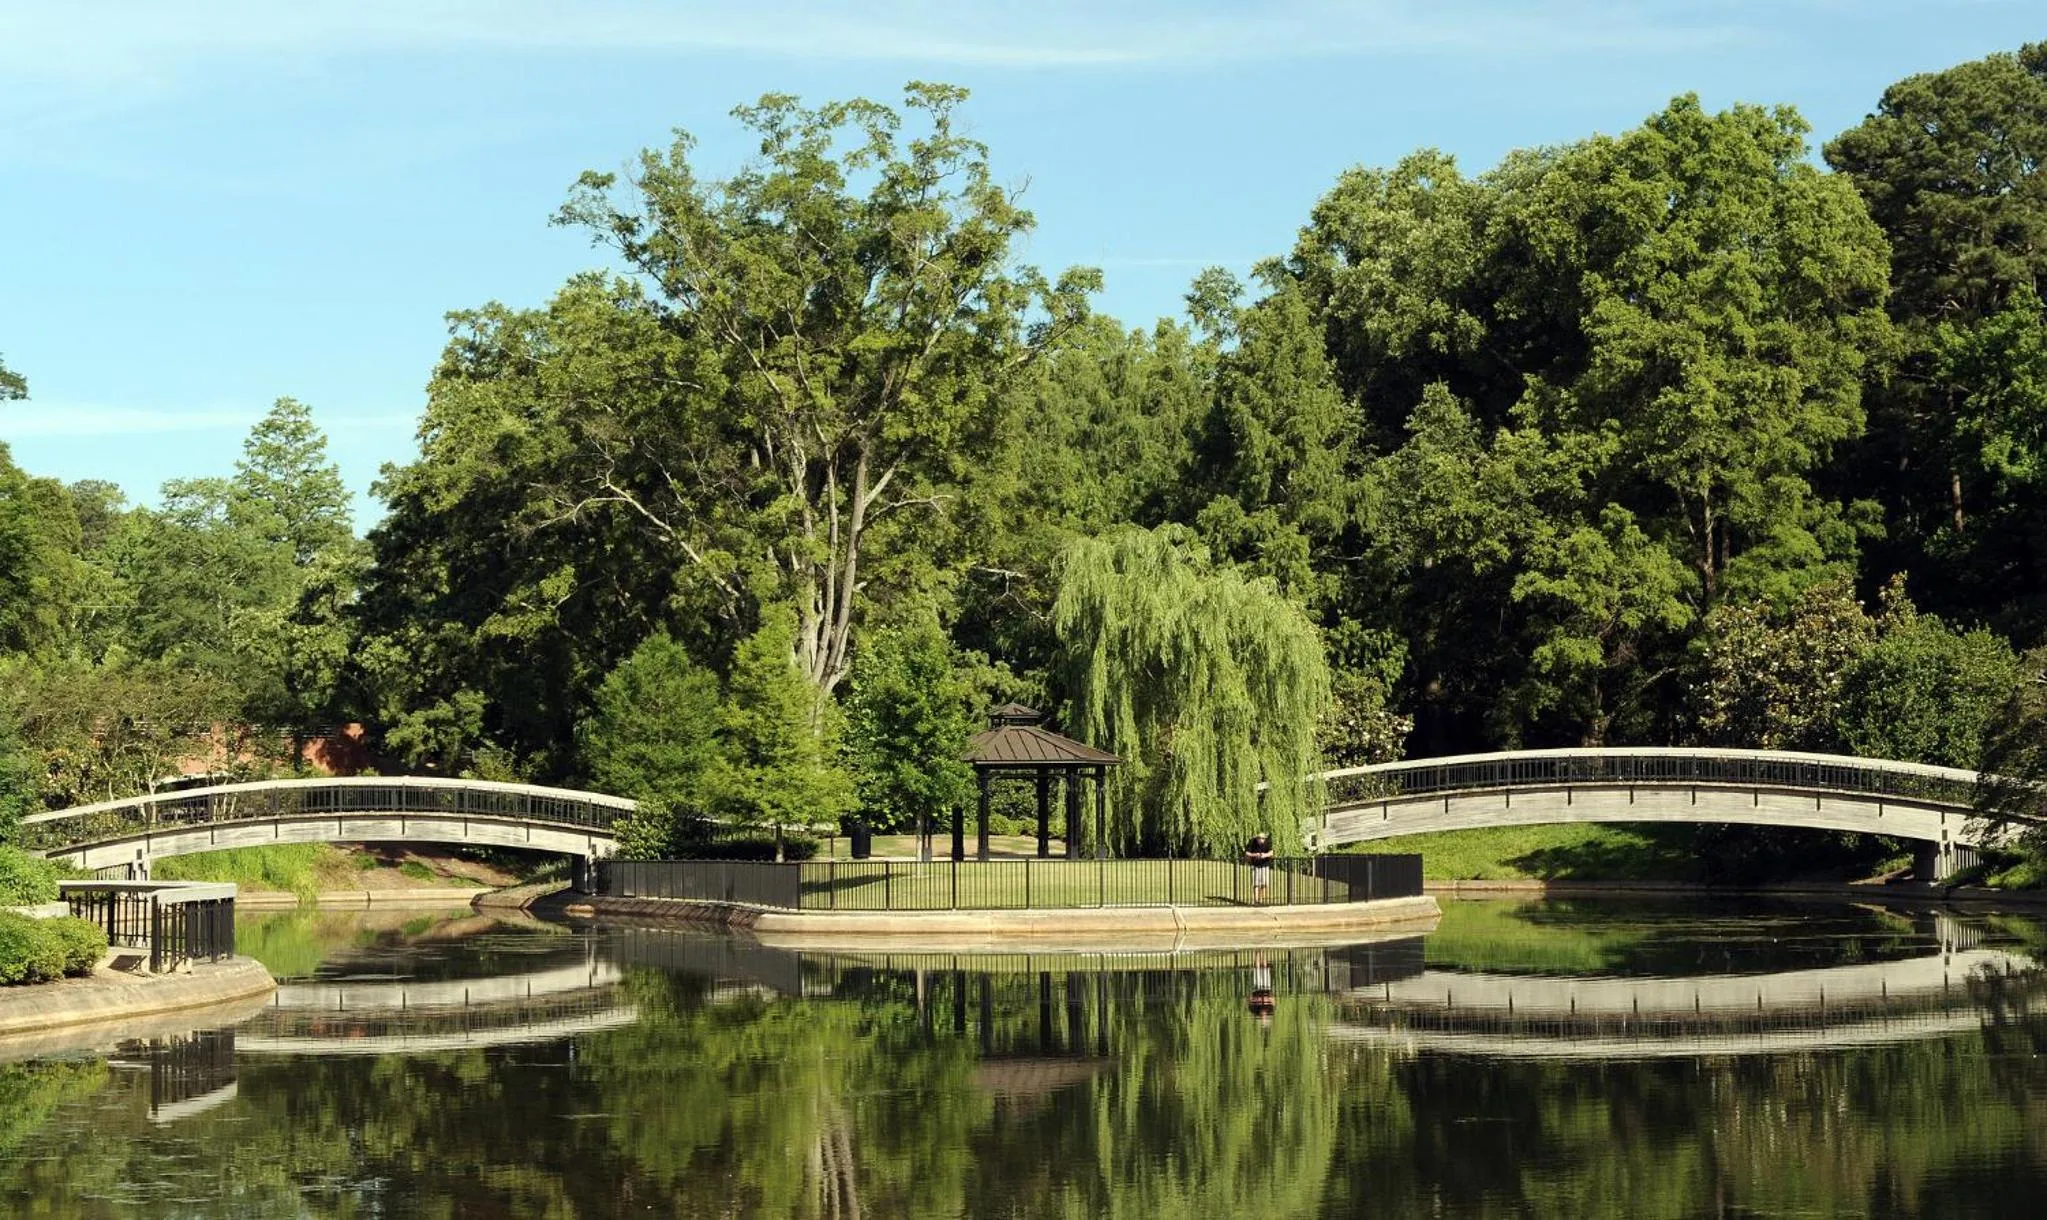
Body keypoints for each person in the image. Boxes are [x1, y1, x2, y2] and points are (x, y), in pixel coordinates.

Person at [1244, 833, 1274, 904]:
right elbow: (1247, 853)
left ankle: (1261, 899)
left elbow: (1271, 852)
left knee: (1264, 883)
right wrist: (1255, 855)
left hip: (1265, 865)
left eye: (1263, 838)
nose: (1261, 839)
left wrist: (1265, 855)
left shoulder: (1267, 842)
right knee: (1256, 883)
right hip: (1255, 865)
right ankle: (1256, 900)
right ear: (1257, 838)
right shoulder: (1252, 842)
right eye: (1260, 838)